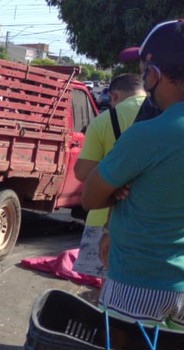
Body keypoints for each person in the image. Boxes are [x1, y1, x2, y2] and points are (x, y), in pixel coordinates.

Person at [81, 19, 184, 350]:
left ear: (156, 73)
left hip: (137, 282)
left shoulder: (150, 135)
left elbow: (91, 194)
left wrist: (121, 185)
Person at [71, 74, 147, 278]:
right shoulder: (164, 115)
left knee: (106, 290)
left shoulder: (104, 120)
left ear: (113, 96)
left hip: (103, 218)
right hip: (152, 220)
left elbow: (82, 172)